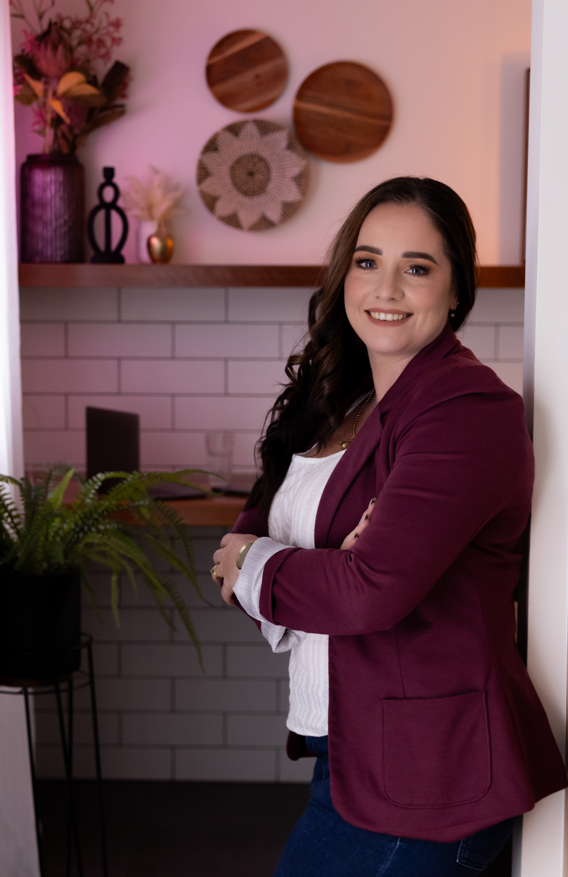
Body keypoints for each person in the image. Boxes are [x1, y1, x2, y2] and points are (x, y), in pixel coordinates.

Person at [211, 177, 568, 876]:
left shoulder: (467, 409)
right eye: (368, 261)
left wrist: (271, 565)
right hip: (350, 756)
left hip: (430, 775)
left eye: (417, 267)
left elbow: (366, 591)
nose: (386, 287)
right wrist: (301, 565)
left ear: (456, 290)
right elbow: (241, 545)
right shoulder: (337, 402)